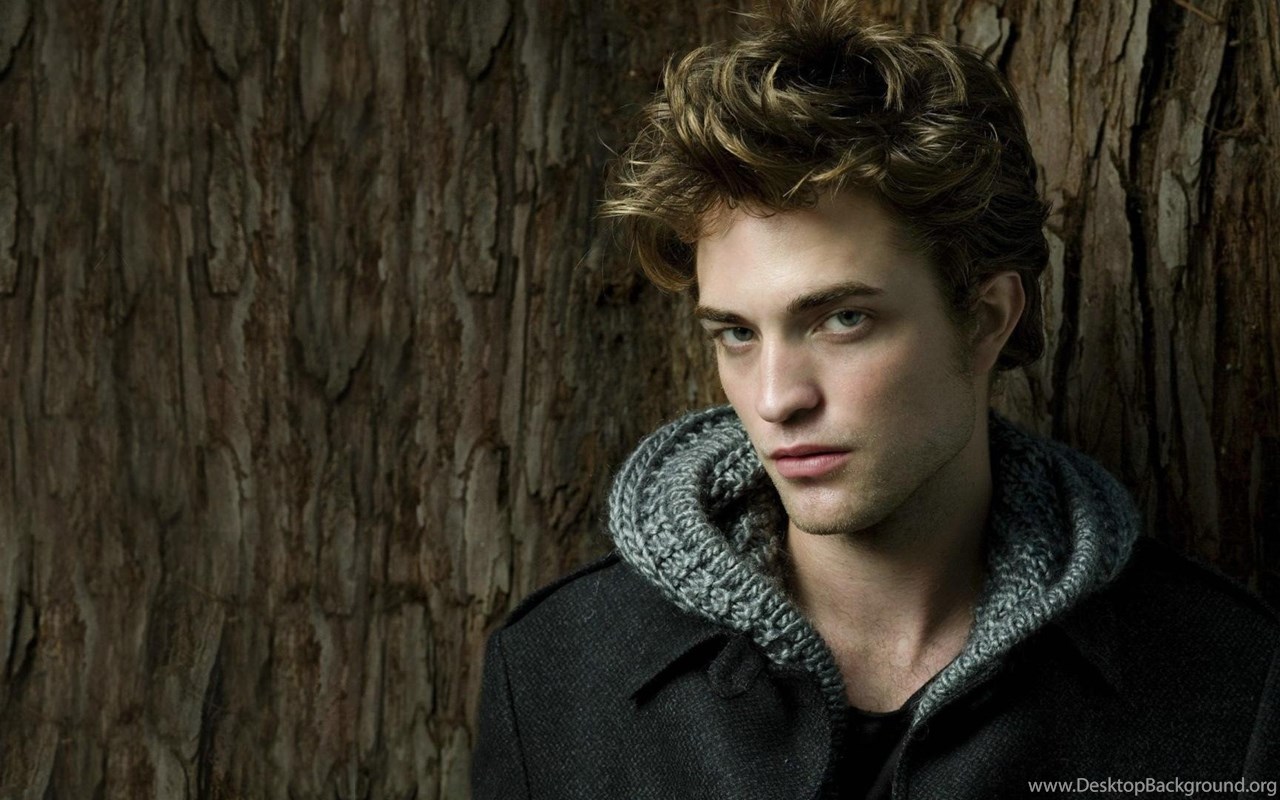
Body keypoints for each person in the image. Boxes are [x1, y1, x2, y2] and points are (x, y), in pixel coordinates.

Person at [471, 2, 1280, 798]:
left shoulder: (1234, 683)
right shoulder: (553, 677)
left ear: (985, 320)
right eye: (737, 333)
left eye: (843, 320)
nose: (776, 399)